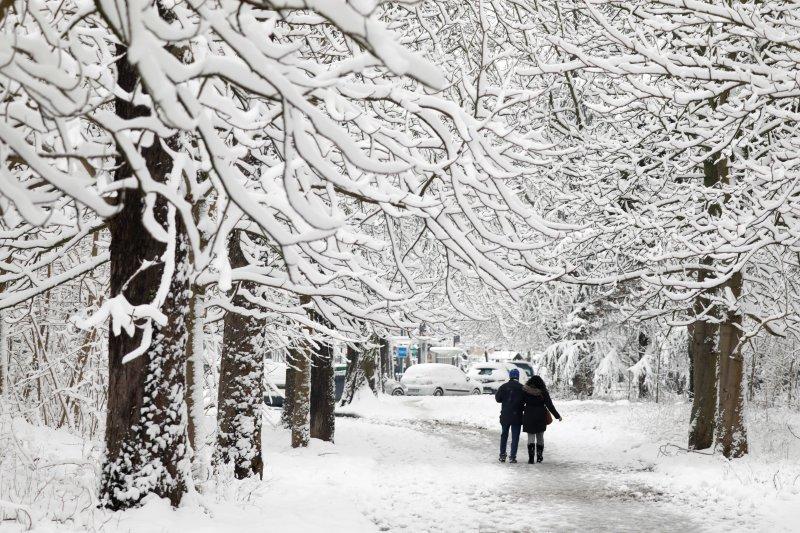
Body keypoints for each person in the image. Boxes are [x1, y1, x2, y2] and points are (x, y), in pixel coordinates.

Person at [522, 375, 562, 464]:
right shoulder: (543, 392)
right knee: (540, 436)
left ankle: (531, 458)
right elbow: (550, 405)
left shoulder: (525, 391)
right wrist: (557, 416)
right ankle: (539, 457)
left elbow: (520, 403)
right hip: (540, 415)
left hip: (528, 415)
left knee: (531, 436)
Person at [494, 368, 524, 463]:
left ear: (510, 376)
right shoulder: (522, 388)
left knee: (504, 435)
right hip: (517, 416)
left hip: (505, 415)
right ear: (518, 377)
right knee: (515, 437)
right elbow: (526, 401)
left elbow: (498, 399)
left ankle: (502, 455)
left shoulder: (503, 387)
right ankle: (512, 456)